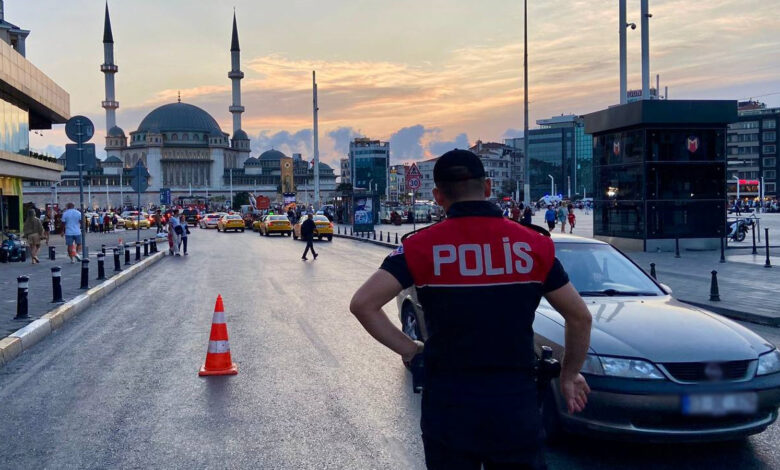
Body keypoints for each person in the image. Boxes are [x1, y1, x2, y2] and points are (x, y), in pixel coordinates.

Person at [349, 149, 592, 470]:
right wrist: (569, 373)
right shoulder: (533, 245)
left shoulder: (421, 247)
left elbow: (363, 305)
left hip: (449, 402)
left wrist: (411, 349)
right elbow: (580, 316)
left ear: (437, 196)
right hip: (513, 402)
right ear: (488, 188)